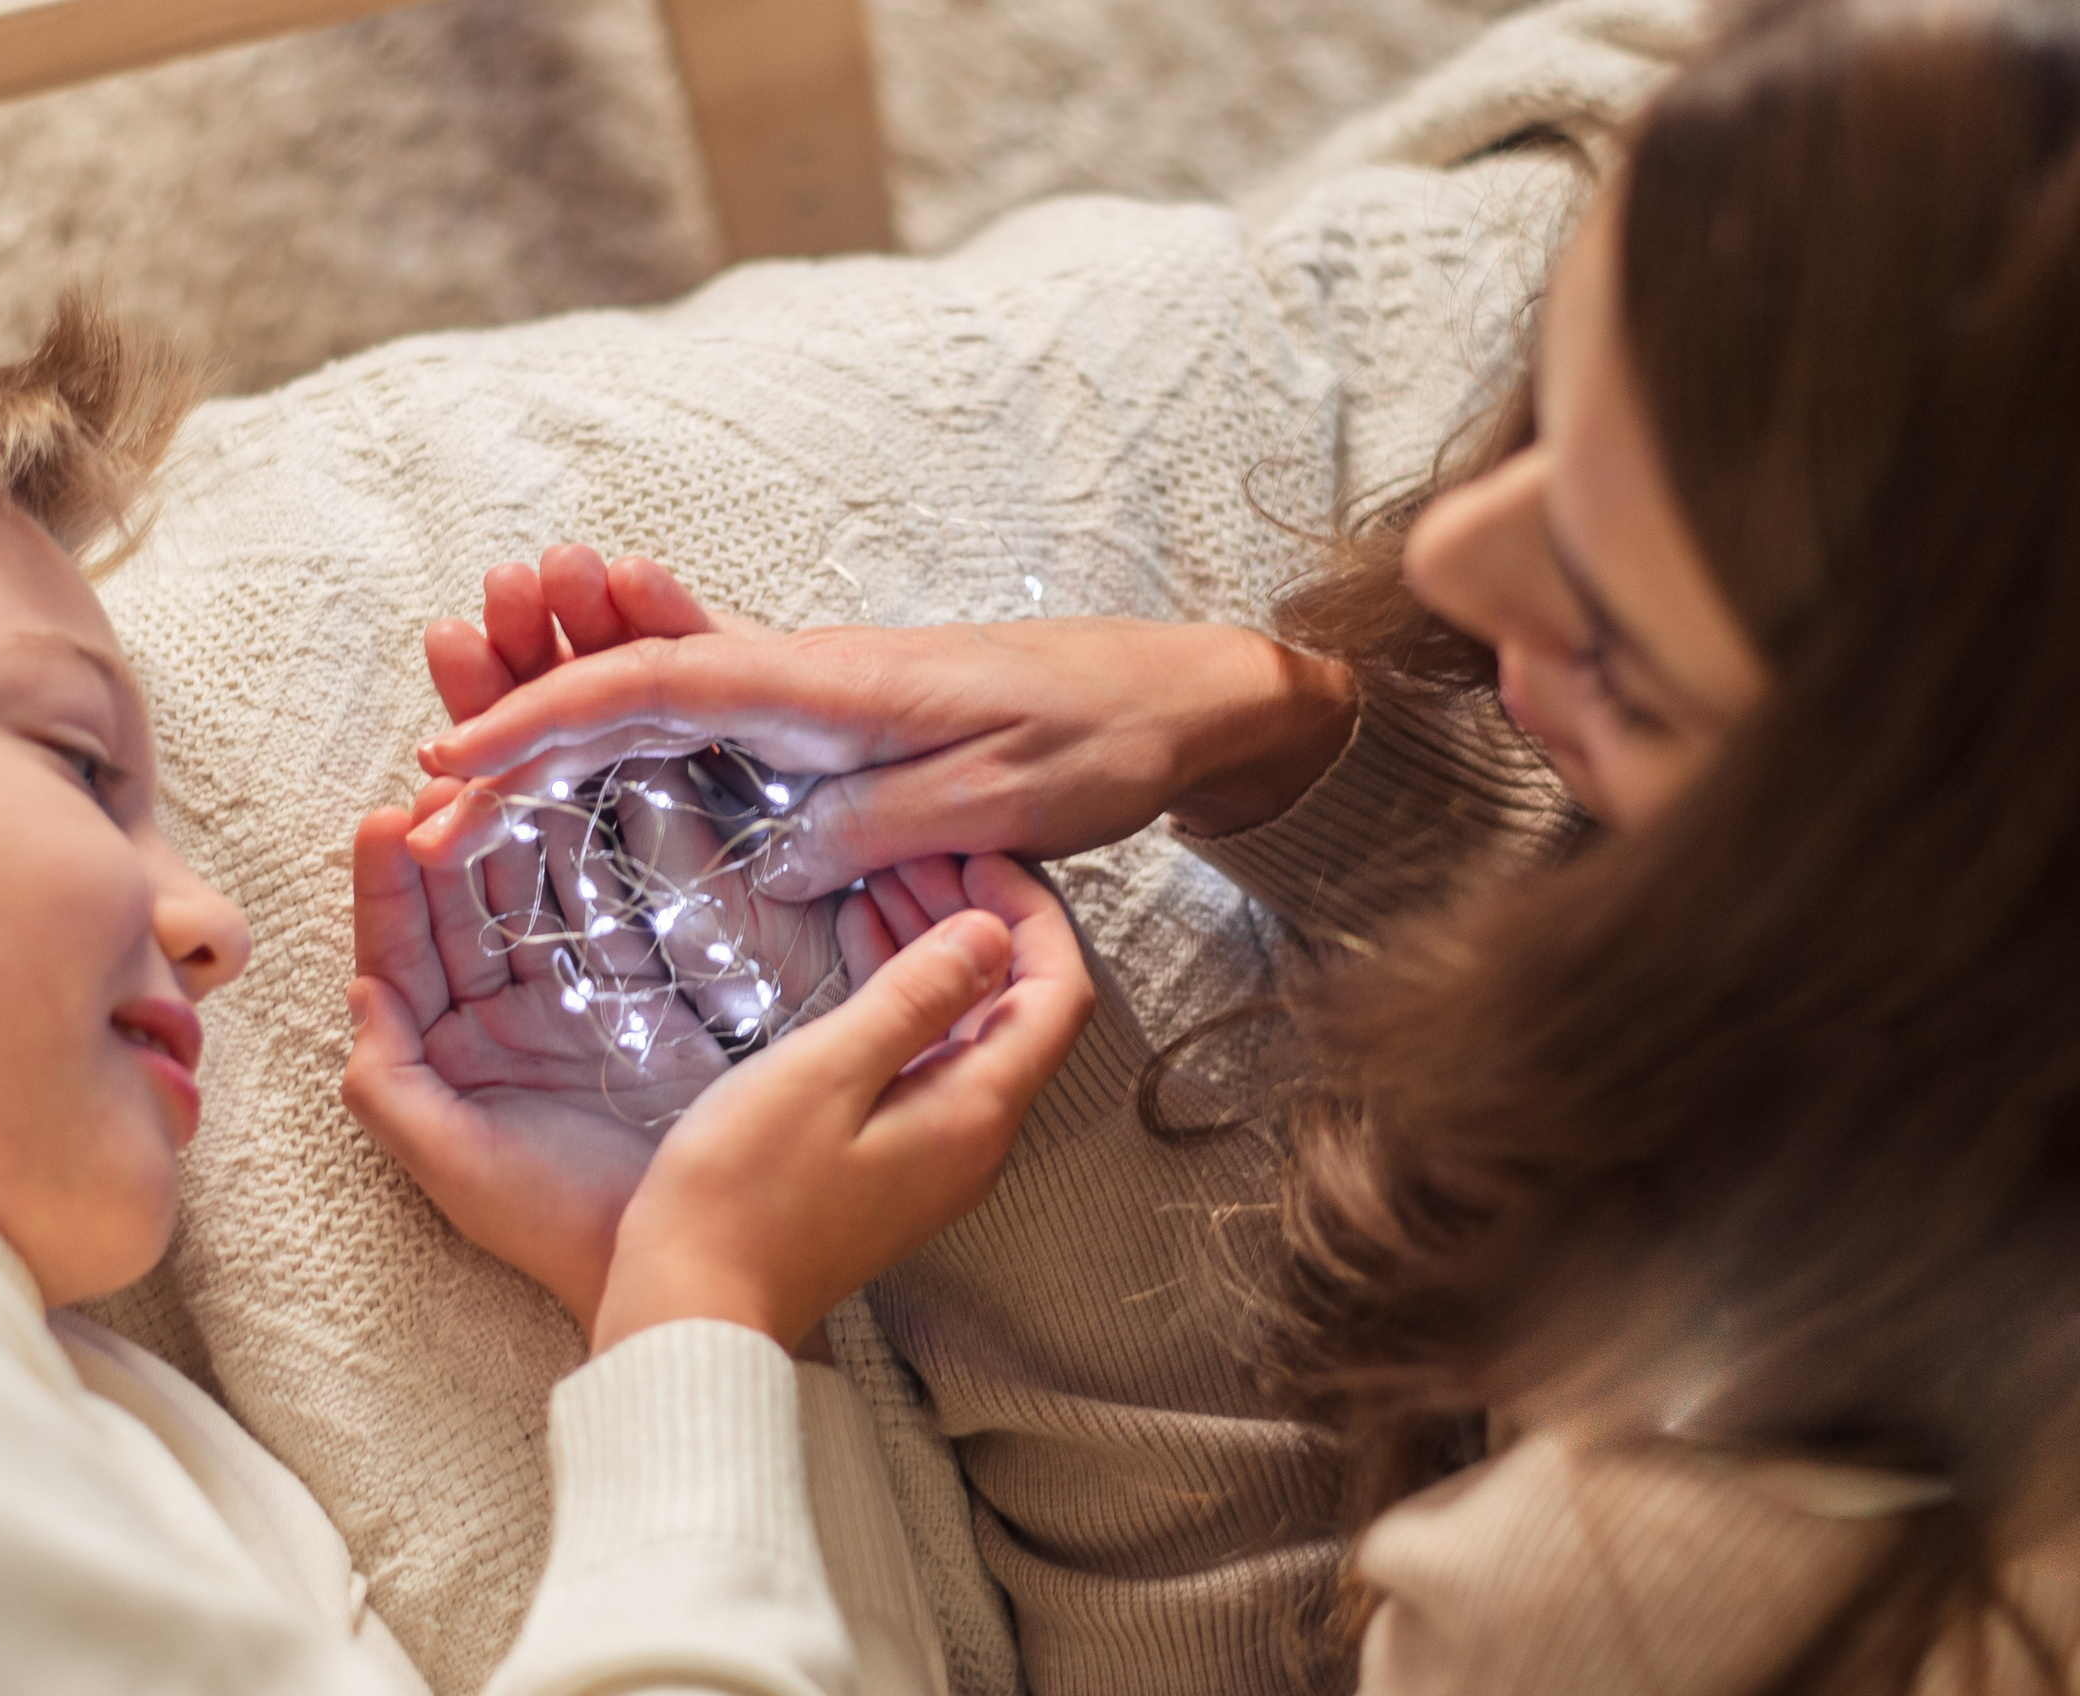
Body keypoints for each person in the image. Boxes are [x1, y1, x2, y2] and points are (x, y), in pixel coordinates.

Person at [394, 0, 2080, 1685]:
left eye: (1626, 655)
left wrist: (714, 1308)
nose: (1452, 572)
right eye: (1548, 403)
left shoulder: (1663, 1579)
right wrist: (1280, 736)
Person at [0, 285, 1095, 1693]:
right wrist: (707, 1308)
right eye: (79, 767)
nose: (213, 924)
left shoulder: (9, 1375)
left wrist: (677, 1309)